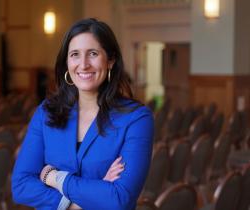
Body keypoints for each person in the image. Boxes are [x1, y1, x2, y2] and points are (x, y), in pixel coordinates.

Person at [11, 18, 154, 210]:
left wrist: (54, 177)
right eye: (75, 55)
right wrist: (80, 203)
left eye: (93, 54)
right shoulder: (46, 113)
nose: (83, 64)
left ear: (110, 60)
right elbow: (21, 186)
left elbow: (119, 199)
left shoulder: (136, 119)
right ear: (67, 62)